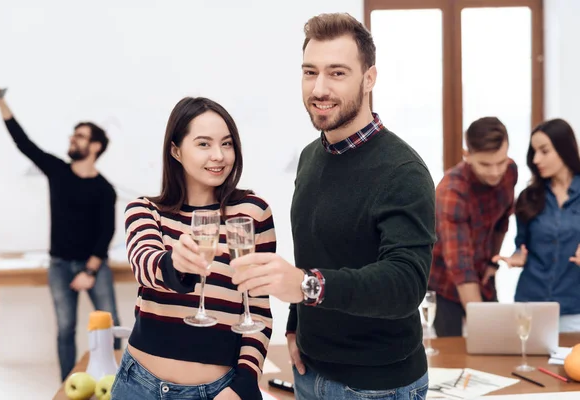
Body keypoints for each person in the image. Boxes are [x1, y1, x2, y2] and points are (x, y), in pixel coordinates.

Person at [230, 13, 435, 400]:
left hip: (377, 387)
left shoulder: (403, 171)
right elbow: (318, 253)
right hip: (309, 373)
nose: (319, 88)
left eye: (337, 73)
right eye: (310, 72)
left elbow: (406, 284)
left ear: (369, 78)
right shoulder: (311, 157)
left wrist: (305, 287)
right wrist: (295, 323)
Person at [112, 97, 276, 400]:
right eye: (204, 144)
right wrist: (176, 264)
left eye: (227, 144)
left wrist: (243, 384)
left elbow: (259, 311)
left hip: (219, 391)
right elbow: (145, 266)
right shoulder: (146, 211)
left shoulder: (252, 213)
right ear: (176, 150)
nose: (219, 156)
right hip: (138, 386)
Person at [0, 88, 121, 381]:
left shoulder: (104, 189)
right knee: (65, 329)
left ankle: (116, 381)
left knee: (111, 326)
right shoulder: (58, 171)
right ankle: (69, 385)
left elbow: (106, 233)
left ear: (96, 146)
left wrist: (89, 270)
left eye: (81, 136)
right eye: (73, 134)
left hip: (93, 266)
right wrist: (2, 105)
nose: (73, 138)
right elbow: (24, 143)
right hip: (59, 265)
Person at [429, 117, 517, 337]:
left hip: (482, 271)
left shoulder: (510, 171)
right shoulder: (452, 191)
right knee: (455, 351)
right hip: (446, 281)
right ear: (467, 155)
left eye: (500, 161)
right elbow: (459, 264)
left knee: (494, 345)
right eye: (485, 164)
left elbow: (501, 222)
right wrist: (482, 329)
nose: (496, 172)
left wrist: (492, 262)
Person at [493, 119, 580, 333]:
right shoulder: (529, 197)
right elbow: (521, 244)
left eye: (544, 151)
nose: (536, 158)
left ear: (564, 148)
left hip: (573, 308)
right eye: (534, 151)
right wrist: (516, 256)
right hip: (529, 305)